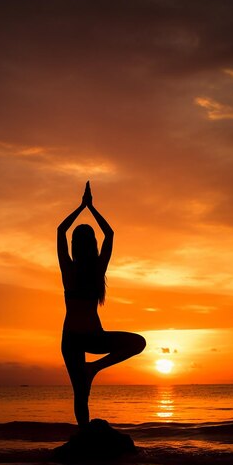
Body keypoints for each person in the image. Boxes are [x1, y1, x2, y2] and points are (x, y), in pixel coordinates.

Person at [57, 181, 146, 428]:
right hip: (83, 338)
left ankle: (93, 370)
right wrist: (90, 208)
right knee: (138, 343)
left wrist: (82, 207)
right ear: (92, 245)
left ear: (76, 246)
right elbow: (109, 234)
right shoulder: (91, 271)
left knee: (81, 393)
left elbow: (60, 231)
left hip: (77, 337)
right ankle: (93, 371)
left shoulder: (71, 270)